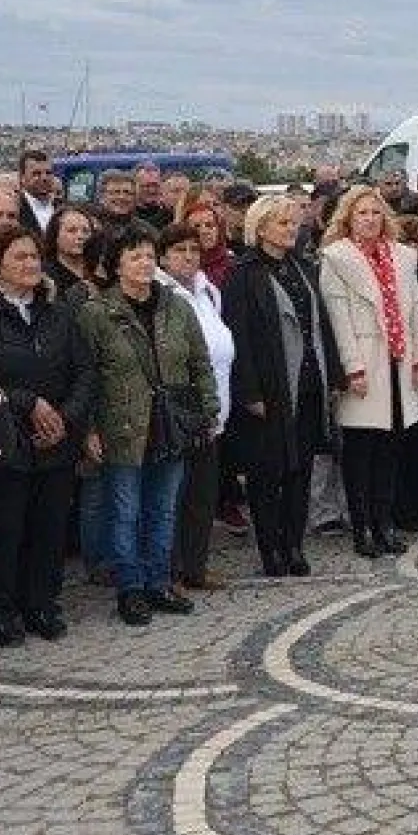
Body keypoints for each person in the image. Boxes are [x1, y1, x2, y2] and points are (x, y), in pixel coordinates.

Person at [77, 222, 219, 626]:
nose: (144, 263)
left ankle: (158, 583)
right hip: (122, 424)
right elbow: (86, 374)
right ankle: (130, 589)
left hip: (172, 423)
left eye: (148, 255)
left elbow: (199, 363)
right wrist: (89, 428)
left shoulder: (176, 306)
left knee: (163, 509)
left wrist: (207, 411)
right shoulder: (97, 313)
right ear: (115, 264)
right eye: (134, 255)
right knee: (125, 511)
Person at [0, 224, 97, 645]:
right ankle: (0, 610)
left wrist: (65, 417)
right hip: (4, 439)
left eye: (34, 256)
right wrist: (28, 405)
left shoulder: (57, 309)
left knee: (48, 527)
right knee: (2, 530)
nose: (31, 264)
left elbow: (84, 371)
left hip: (56, 440)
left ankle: (41, 602)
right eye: (19, 257)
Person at [223, 195, 341, 577]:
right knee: (267, 472)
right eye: (282, 223)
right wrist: (250, 392)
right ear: (260, 228)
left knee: (300, 469)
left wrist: (333, 377)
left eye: (294, 222)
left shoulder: (304, 267)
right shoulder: (243, 273)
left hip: (306, 384)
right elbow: (237, 336)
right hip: (269, 387)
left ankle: (294, 544)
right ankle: (270, 548)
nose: (291, 229)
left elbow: (322, 325)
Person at [320, 186, 418, 558]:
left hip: (398, 361)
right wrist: (352, 367)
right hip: (365, 358)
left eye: (374, 213)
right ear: (348, 219)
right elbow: (338, 318)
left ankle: (384, 523)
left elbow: (416, 307)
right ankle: (363, 528)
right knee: (360, 453)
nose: (369, 220)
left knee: (389, 451)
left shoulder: (402, 257)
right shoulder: (336, 258)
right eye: (361, 213)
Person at [155, 223, 235, 590]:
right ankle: (169, 570)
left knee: (202, 495)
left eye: (193, 250)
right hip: (178, 411)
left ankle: (195, 567)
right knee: (173, 495)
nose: (188, 257)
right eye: (178, 251)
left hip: (214, 407)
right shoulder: (160, 295)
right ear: (163, 257)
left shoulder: (208, 291)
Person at [42, 204, 96, 296]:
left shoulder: (97, 270)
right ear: (55, 236)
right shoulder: (45, 275)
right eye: (72, 230)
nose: (80, 236)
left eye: (86, 231)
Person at [15, 149, 59, 235]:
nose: (44, 178)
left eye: (48, 173)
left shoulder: (63, 207)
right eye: (36, 173)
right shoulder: (15, 209)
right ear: (22, 177)